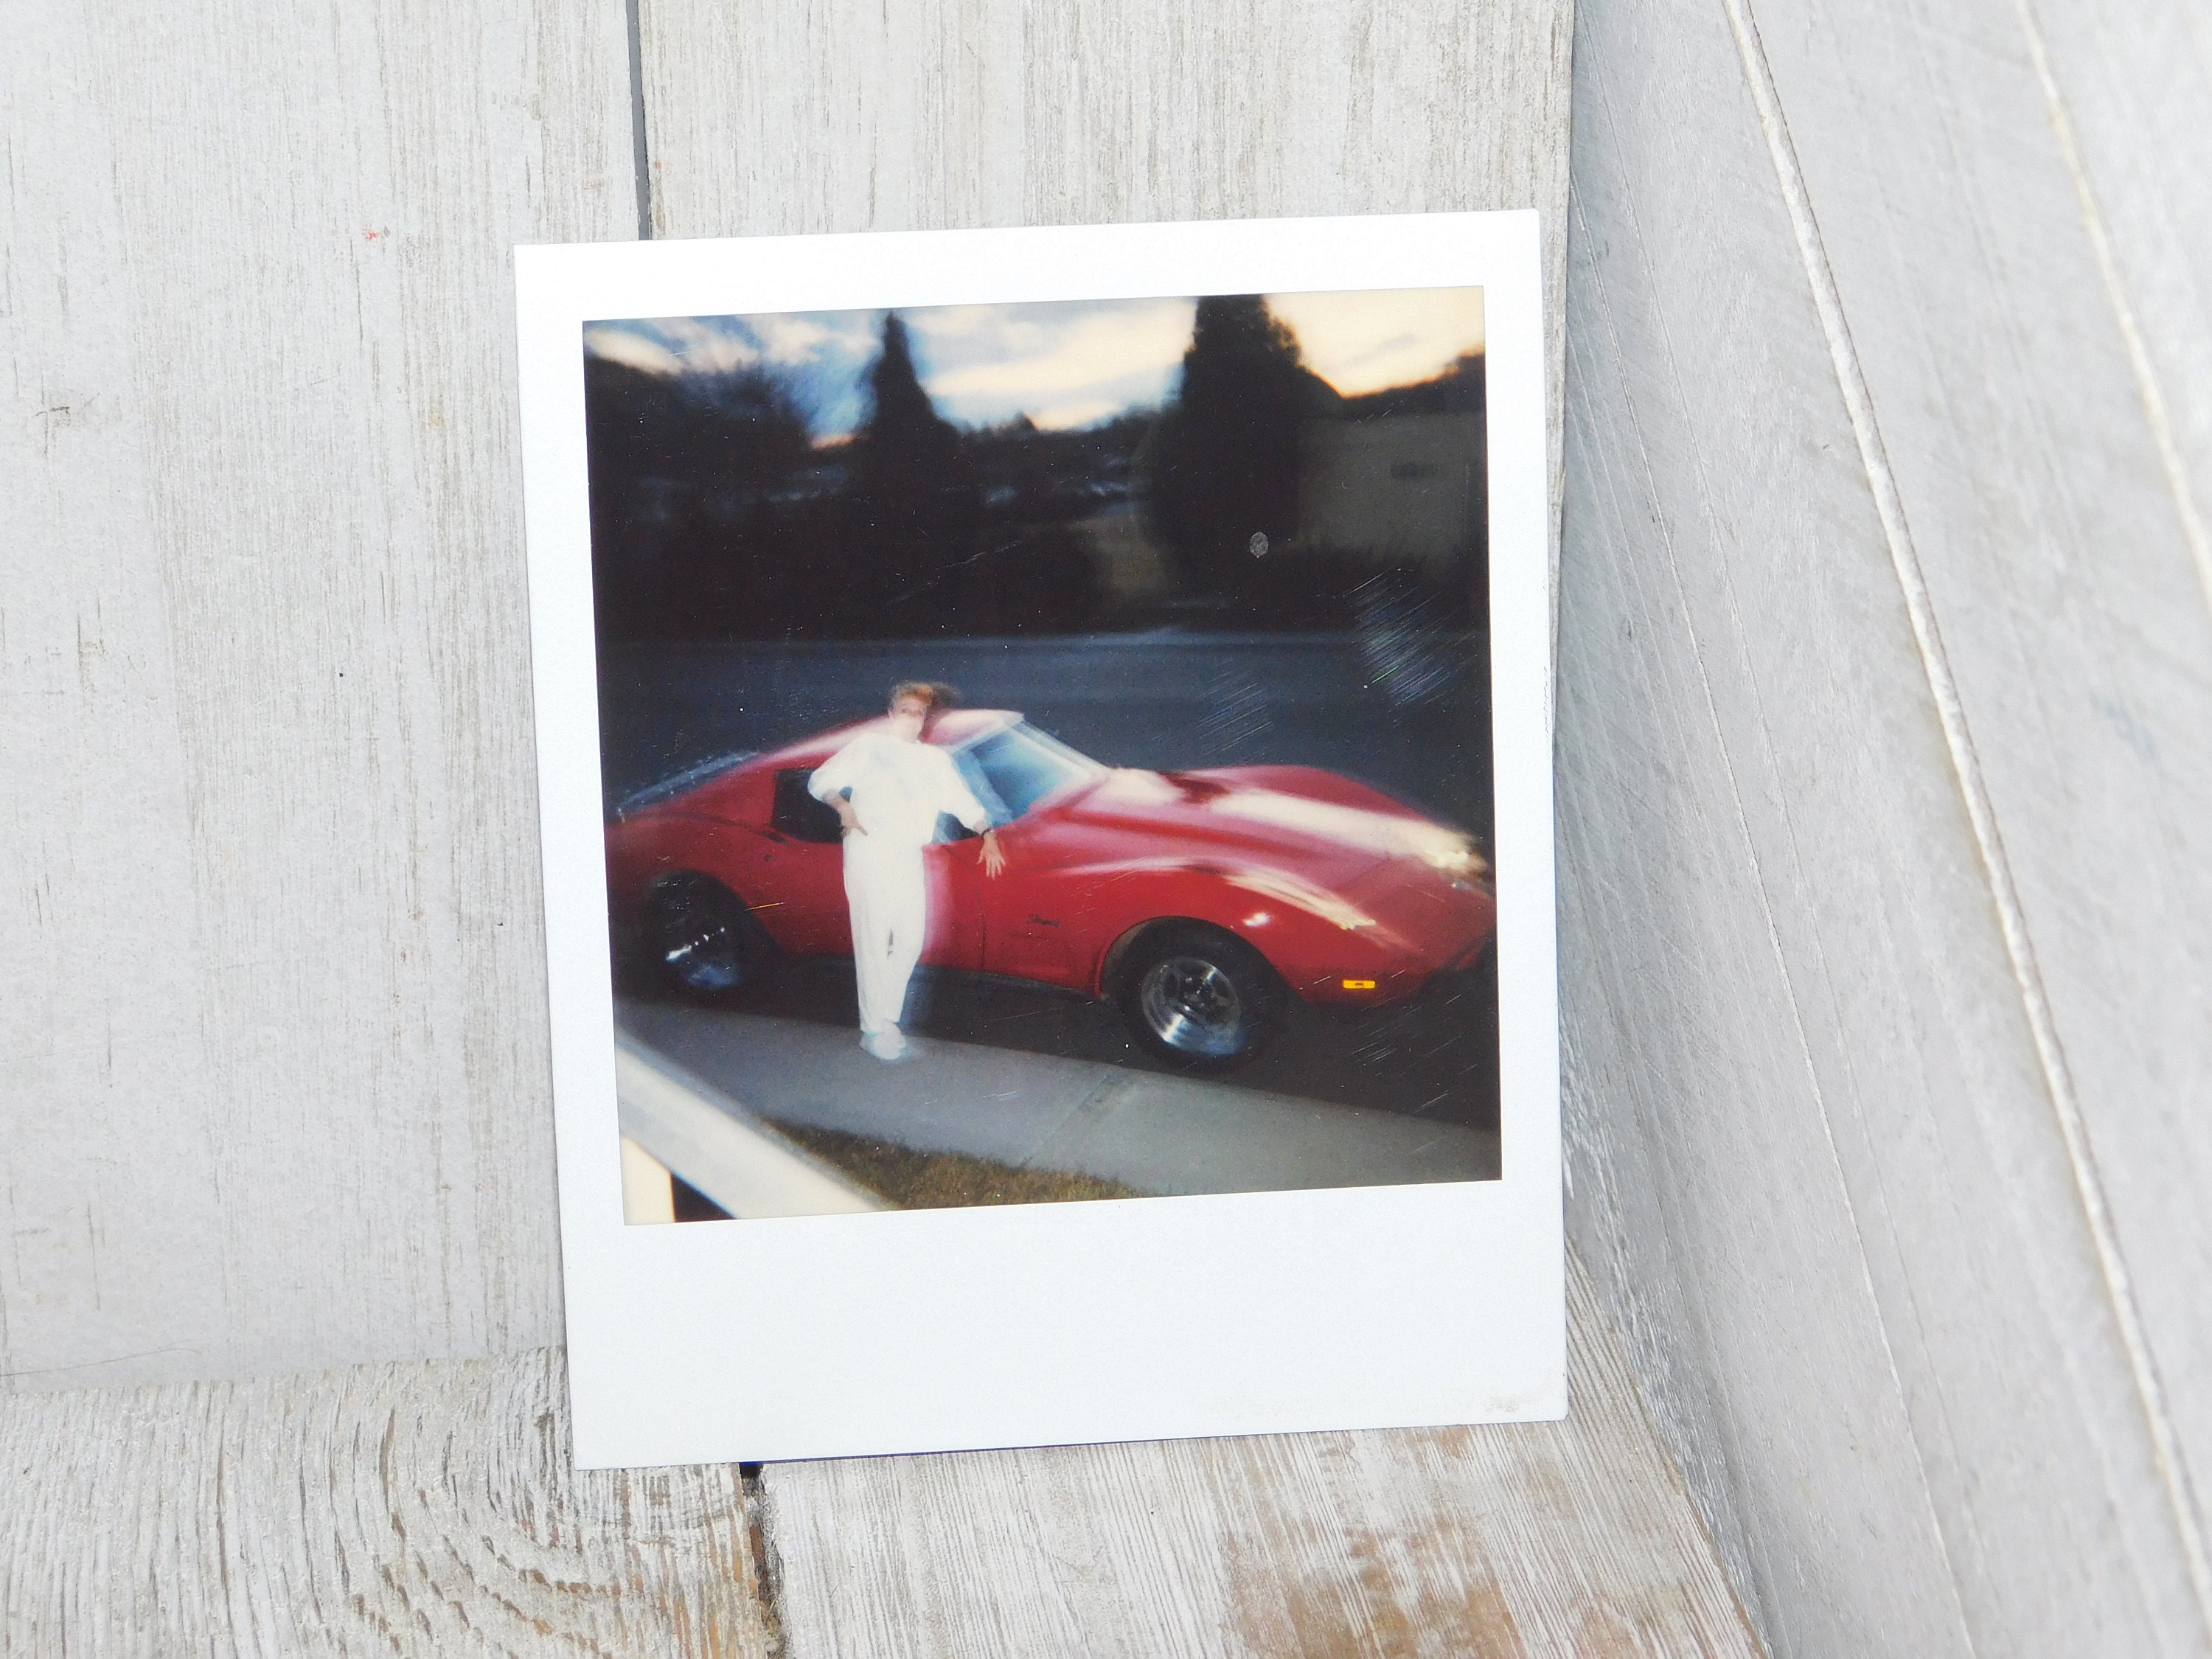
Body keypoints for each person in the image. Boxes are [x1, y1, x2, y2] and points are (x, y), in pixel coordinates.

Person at [808, 683, 1006, 1061]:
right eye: (905, 710)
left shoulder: (935, 759)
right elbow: (820, 781)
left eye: (918, 713)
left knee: (911, 939)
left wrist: (987, 833)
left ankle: (884, 1017)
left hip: (908, 854)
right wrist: (844, 808)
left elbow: (962, 801)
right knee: (873, 937)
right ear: (891, 714)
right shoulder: (871, 746)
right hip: (869, 848)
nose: (911, 718)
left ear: (924, 720)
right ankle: (873, 1029)